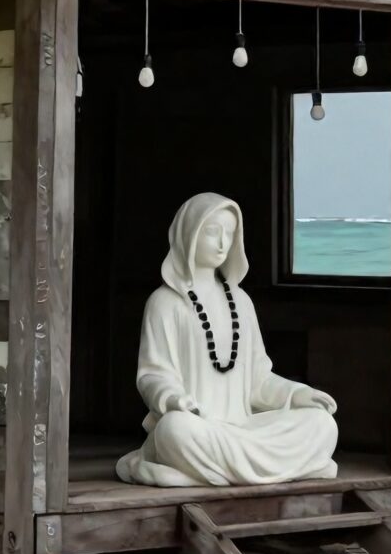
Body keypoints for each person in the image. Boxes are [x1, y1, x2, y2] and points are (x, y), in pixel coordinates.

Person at [115, 192, 339, 488]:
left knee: (322, 423)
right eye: (212, 232)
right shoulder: (165, 302)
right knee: (173, 430)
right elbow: (154, 374)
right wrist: (172, 399)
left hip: (242, 428)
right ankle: (275, 468)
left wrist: (297, 394)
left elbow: (258, 380)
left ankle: (200, 473)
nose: (223, 243)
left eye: (230, 234)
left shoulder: (241, 302)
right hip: (199, 427)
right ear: (189, 233)